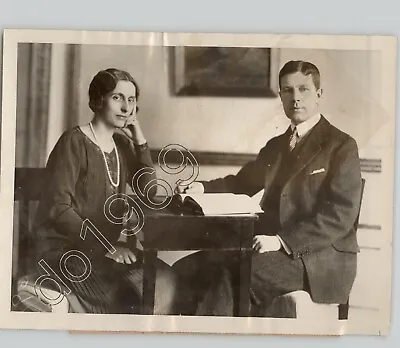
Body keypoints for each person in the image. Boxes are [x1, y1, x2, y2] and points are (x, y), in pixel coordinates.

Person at [173, 60, 363, 316]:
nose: (295, 98)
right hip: (270, 247)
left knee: (235, 274)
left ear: (319, 94)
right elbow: (241, 183)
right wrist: (201, 188)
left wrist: (282, 242)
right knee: (188, 268)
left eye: (303, 89)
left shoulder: (342, 146)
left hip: (318, 257)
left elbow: (339, 217)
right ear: (281, 96)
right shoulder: (276, 146)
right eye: (287, 90)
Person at [30, 68, 177, 314]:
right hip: (65, 251)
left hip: (103, 252)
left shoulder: (121, 145)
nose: (126, 108)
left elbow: (149, 191)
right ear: (98, 100)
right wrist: (107, 247)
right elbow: (59, 208)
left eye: (131, 100)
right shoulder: (73, 141)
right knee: (128, 296)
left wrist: (138, 138)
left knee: (164, 280)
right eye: (117, 97)